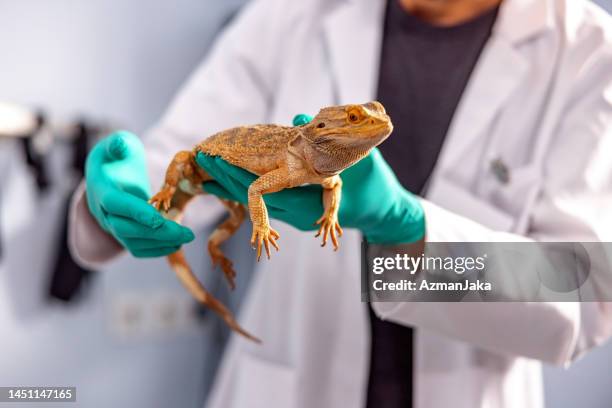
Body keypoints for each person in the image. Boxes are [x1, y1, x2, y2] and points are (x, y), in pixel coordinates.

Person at [70, 0, 612, 407]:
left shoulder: (589, 52)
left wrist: (406, 226)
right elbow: (184, 156)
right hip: (286, 382)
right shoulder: (294, 13)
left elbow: (584, 291)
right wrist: (112, 201)